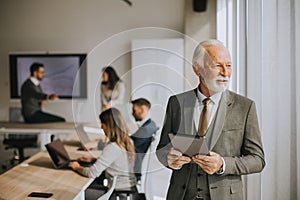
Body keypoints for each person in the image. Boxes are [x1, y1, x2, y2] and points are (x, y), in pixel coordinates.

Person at [156, 39, 265, 200]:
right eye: (217, 65)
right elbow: (162, 149)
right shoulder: (176, 103)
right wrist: (168, 159)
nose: (225, 72)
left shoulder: (244, 106)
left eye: (228, 66)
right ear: (197, 69)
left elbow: (258, 160)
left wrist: (222, 164)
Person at [69, 108, 139, 200]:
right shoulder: (128, 141)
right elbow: (117, 161)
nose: (101, 127)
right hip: (130, 191)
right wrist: (95, 160)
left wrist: (76, 166)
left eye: (103, 124)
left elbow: (92, 173)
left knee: (76, 194)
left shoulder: (112, 147)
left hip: (119, 195)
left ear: (109, 125)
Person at [130, 98, 158, 181]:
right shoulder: (151, 125)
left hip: (135, 169)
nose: (132, 113)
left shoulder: (146, 129)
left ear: (142, 109)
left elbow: (128, 145)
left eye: (134, 110)